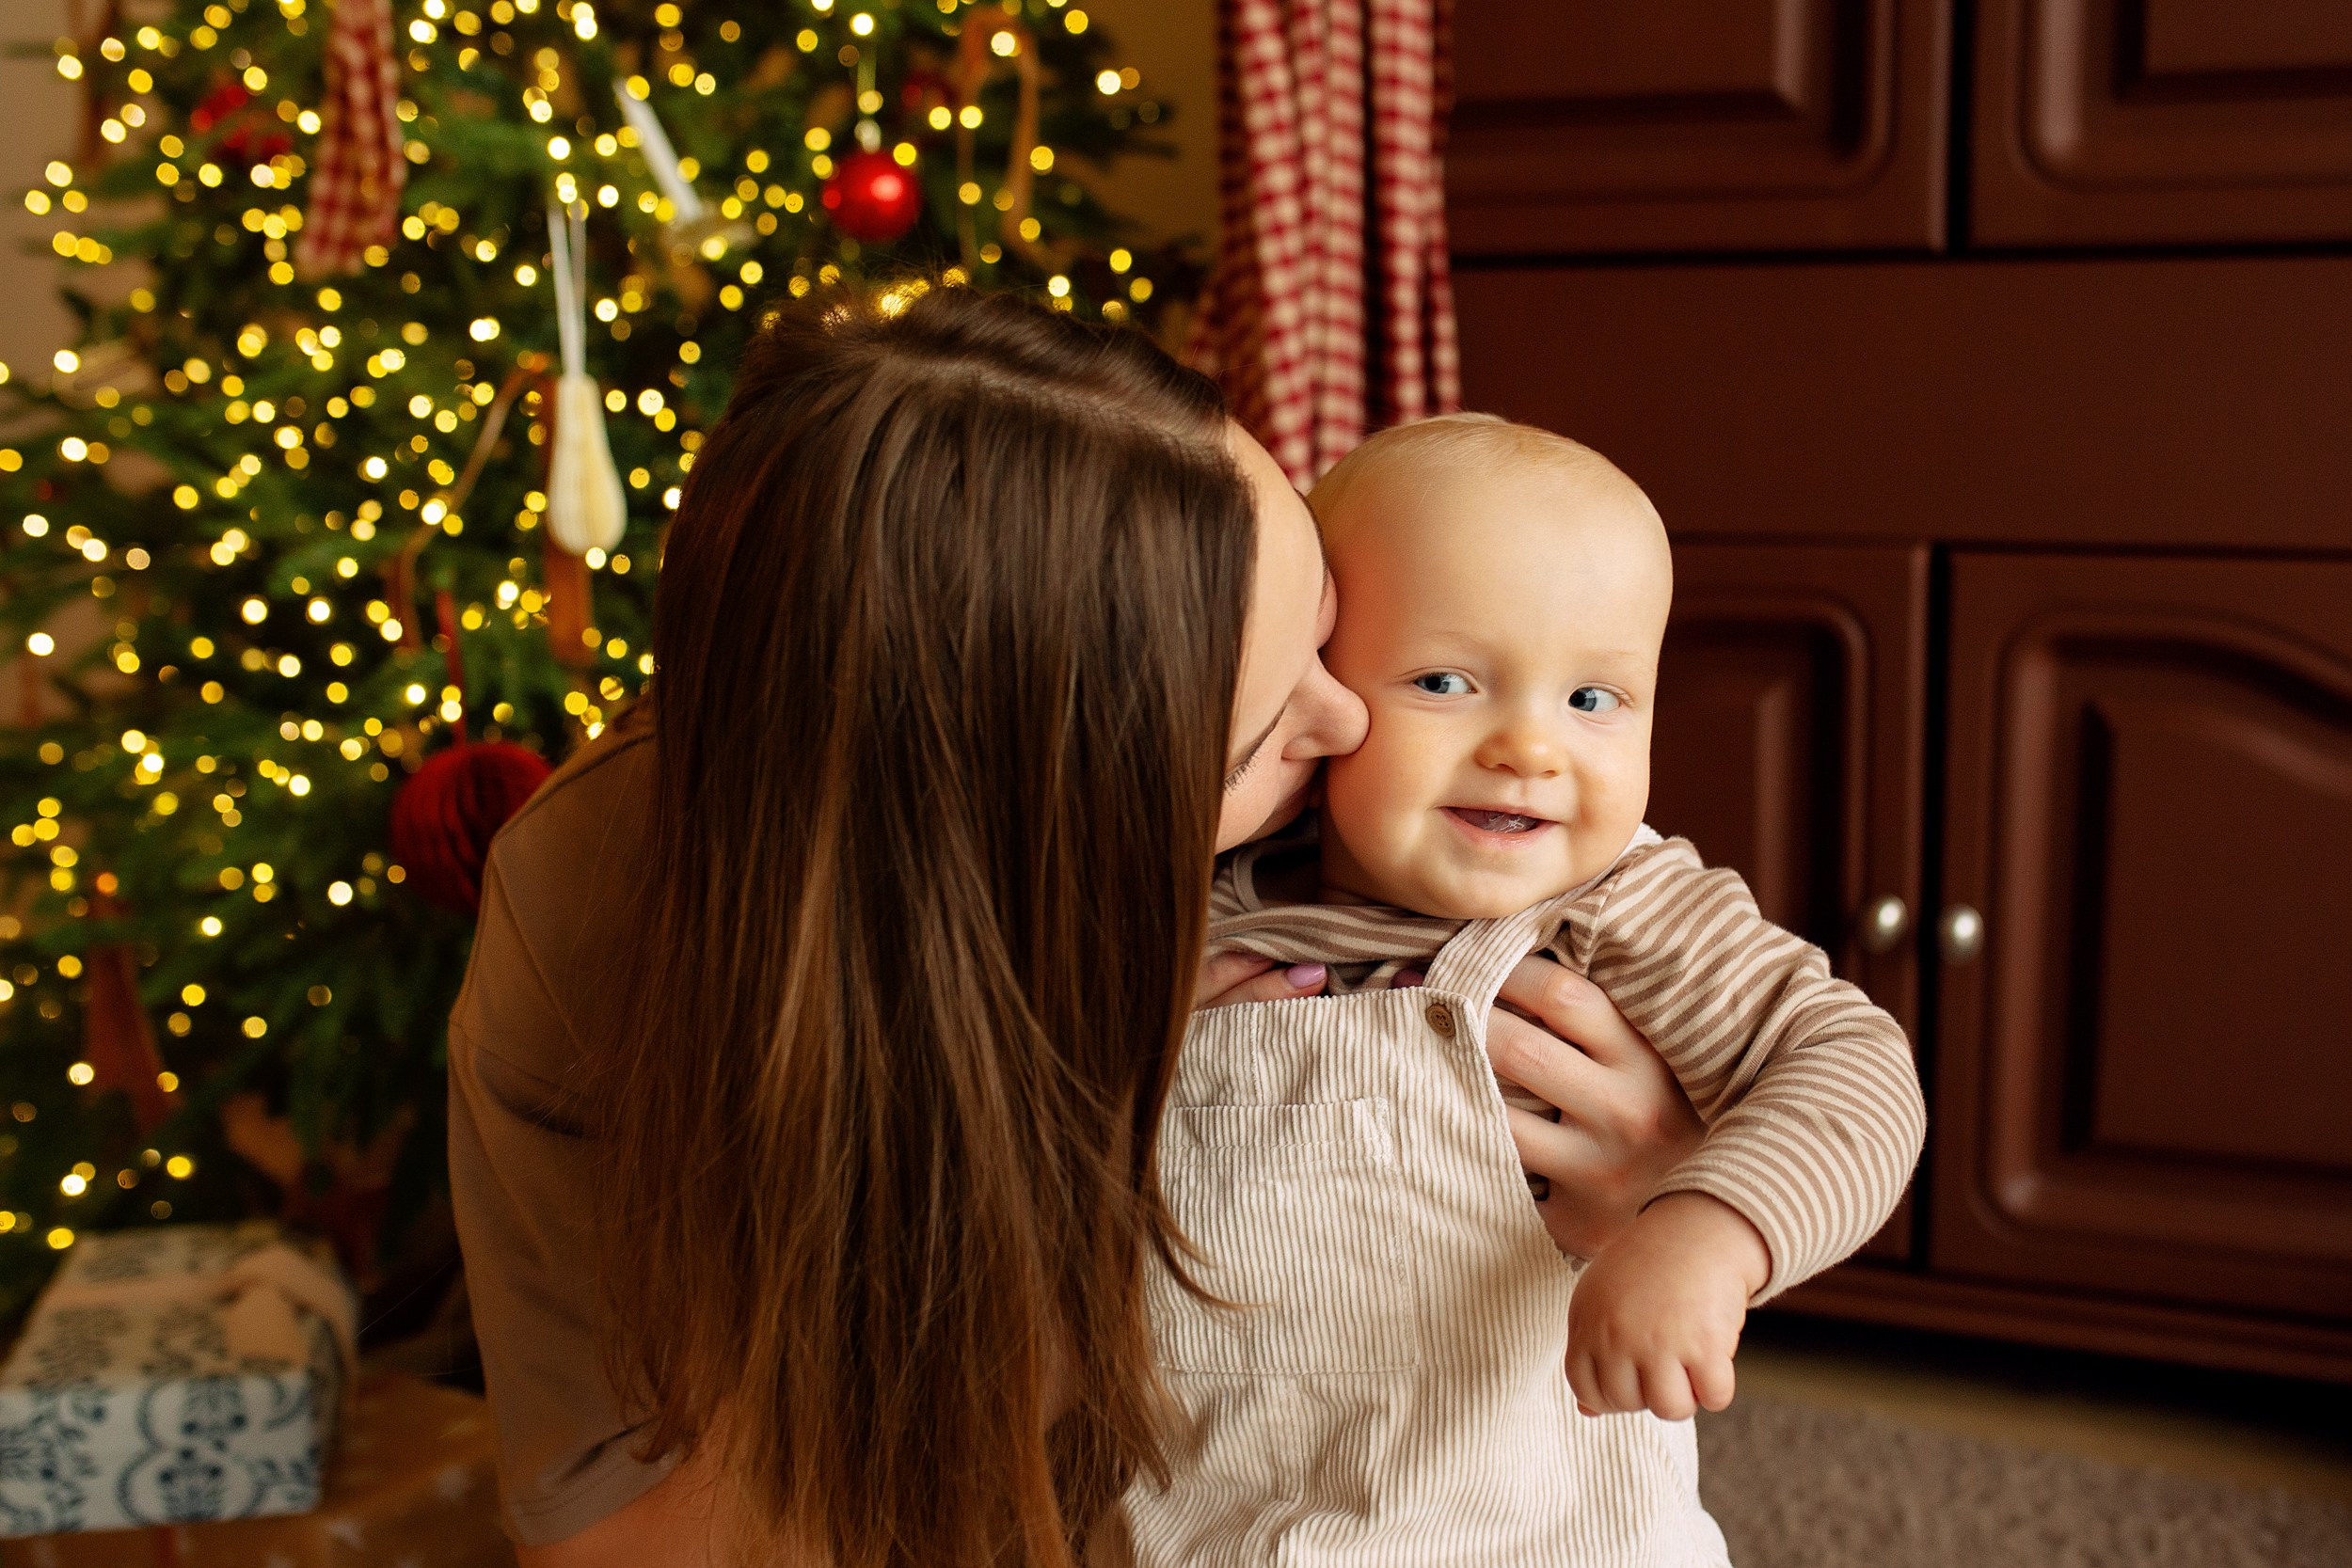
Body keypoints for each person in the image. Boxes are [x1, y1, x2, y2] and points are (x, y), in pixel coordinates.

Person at [447, 293, 1708, 1568]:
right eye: (1260, 737)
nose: (1348, 725)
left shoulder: (1354, 826)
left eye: (1328, 634)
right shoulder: (587, 909)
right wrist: (1083, 1202)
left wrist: (1673, 1183)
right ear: (1034, 832)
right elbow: (618, 1538)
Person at [1134, 414, 1926, 1561]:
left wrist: (1704, 1232)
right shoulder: (1202, 902)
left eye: (1592, 700)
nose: (1529, 749)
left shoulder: (1615, 908)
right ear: (1317, 686)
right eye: (1445, 680)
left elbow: (1854, 1073)